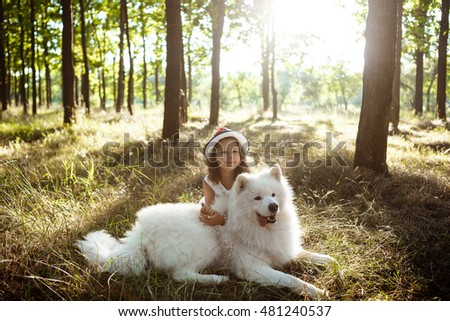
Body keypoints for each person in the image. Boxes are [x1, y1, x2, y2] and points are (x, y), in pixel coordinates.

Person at [199, 127, 250, 226]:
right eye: (223, 152)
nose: (230, 156)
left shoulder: (247, 179)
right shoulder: (209, 181)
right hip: (218, 216)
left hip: (241, 220)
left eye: (235, 151)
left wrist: (223, 220)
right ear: (214, 157)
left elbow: (249, 211)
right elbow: (212, 209)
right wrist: (208, 212)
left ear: (241, 155)